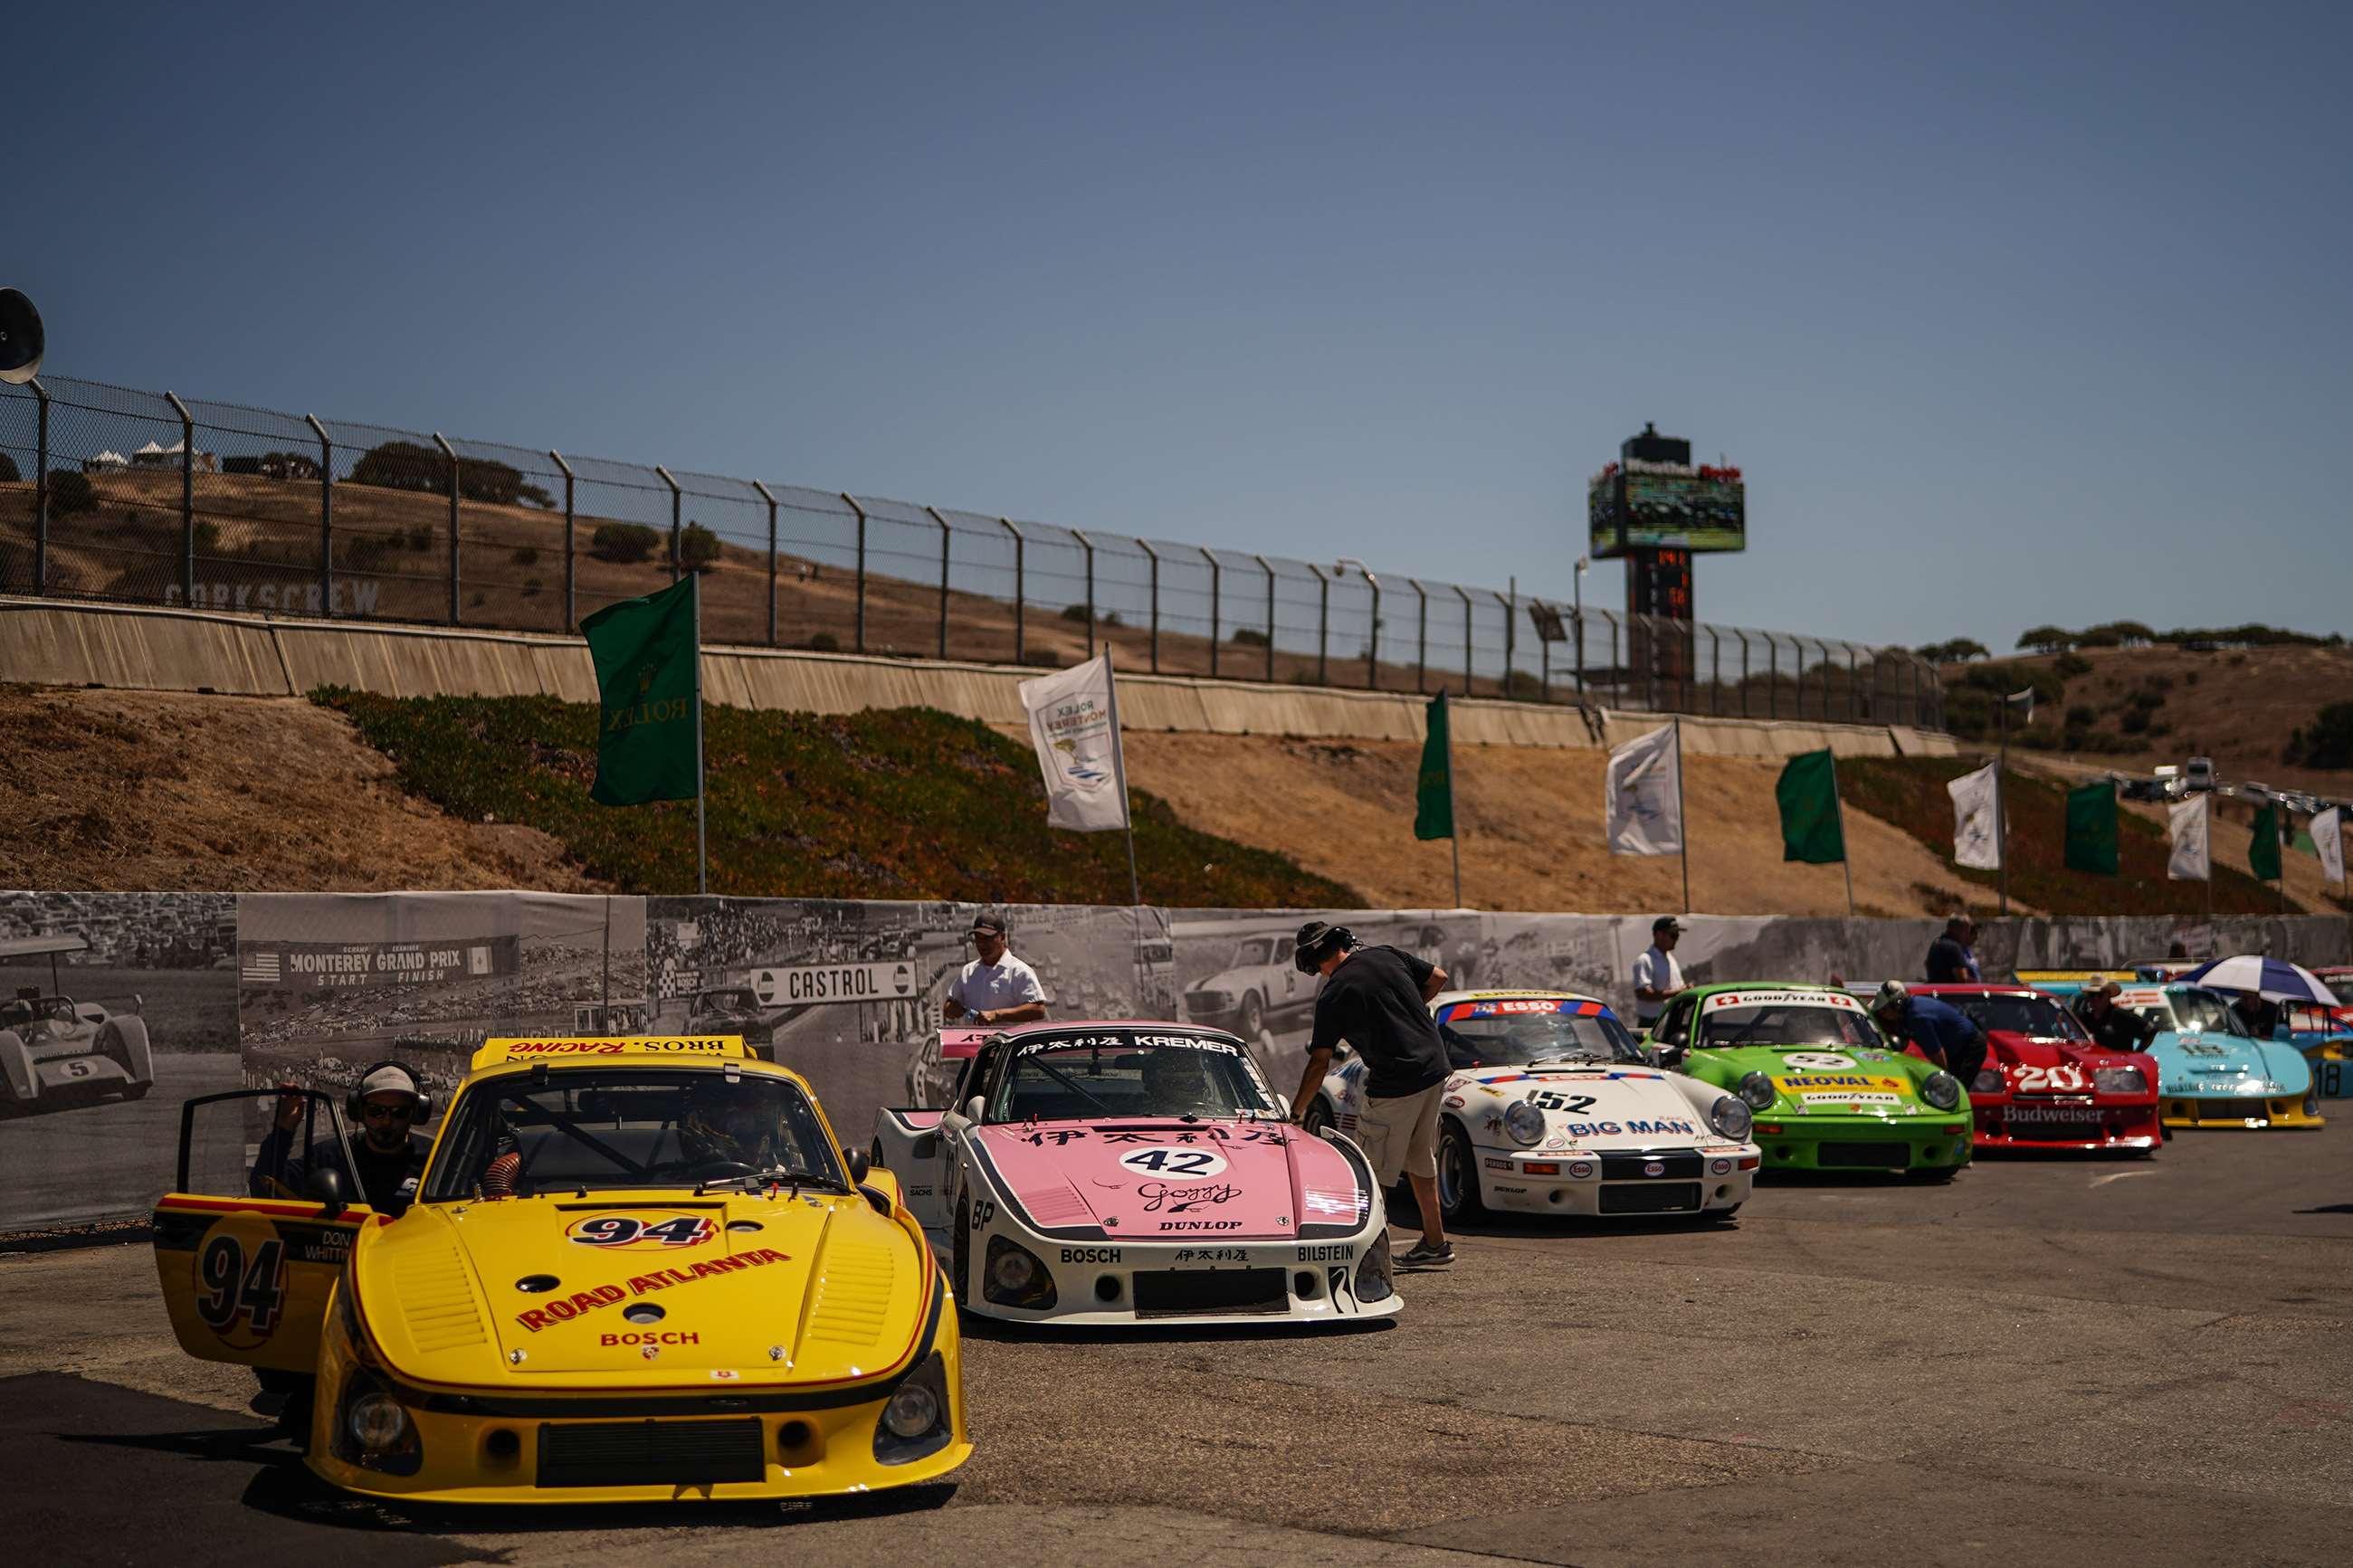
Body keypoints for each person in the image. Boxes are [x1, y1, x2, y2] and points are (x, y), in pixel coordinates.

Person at [1290, 921, 1453, 1271]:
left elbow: (1319, 1061)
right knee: (1420, 1160)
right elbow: (1438, 977)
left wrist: (1297, 1111)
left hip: (1397, 1083)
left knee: (1369, 1173)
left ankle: (1368, 1258)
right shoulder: (1387, 955)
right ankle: (1436, 1244)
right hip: (1435, 1069)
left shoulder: (1335, 994)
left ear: (1315, 962)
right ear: (1343, 943)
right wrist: (1404, 1015)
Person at [251, 1062, 433, 1216]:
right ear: (359, 1110)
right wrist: (283, 1129)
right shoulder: (329, 1156)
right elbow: (264, 1186)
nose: (386, 1121)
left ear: (416, 1113)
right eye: (376, 1111)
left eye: (399, 1112)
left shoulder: (435, 1161)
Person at [1869, 980, 1988, 1087]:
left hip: (1970, 1048)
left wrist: (1941, 1083)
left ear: (1897, 1004)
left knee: (1951, 1091)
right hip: (1958, 1047)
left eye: (1884, 1010)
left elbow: (1938, 1058)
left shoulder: (1917, 1018)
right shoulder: (1909, 1011)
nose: (1882, 1015)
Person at [943, 915, 1049, 1028]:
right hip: (975, 1042)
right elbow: (949, 1004)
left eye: (988, 938)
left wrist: (998, 1015)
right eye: (978, 938)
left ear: (1002, 937)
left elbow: (1038, 1009)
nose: (982, 944)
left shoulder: (1019, 970)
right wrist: (951, 1009)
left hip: (1010, 1043)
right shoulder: (968, 971)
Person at [2076, 978, 2158, 1054]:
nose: (2095, 999)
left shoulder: (2122, 1016)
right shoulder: (2084, 1018)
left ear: (2108, 996)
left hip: (2119, 1066)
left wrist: (2136, 1054)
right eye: (2091, 995)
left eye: (2100, 995)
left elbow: (2151, 1031)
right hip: (2094, 1064)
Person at [1631, 917, 1686, 1030]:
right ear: (1659, 935)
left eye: (1677, 936)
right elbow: (1642, 993)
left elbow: (1679, 988)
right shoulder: (1644, 960)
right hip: (1652, 1023)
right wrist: (1677, 993)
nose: (1676, 939)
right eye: (1673, 935)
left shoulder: (1670, 958)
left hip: (1671, 1020)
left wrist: (1685, 991)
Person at [1924, 915, 1982, 984]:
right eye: (1965, 931)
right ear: (1956, 930)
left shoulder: (1936, 943)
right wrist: (1978, 985)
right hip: (1950, 993)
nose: (1967, 935)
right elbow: (1962, 978)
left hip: (1936, 991)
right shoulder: (1954, 948)